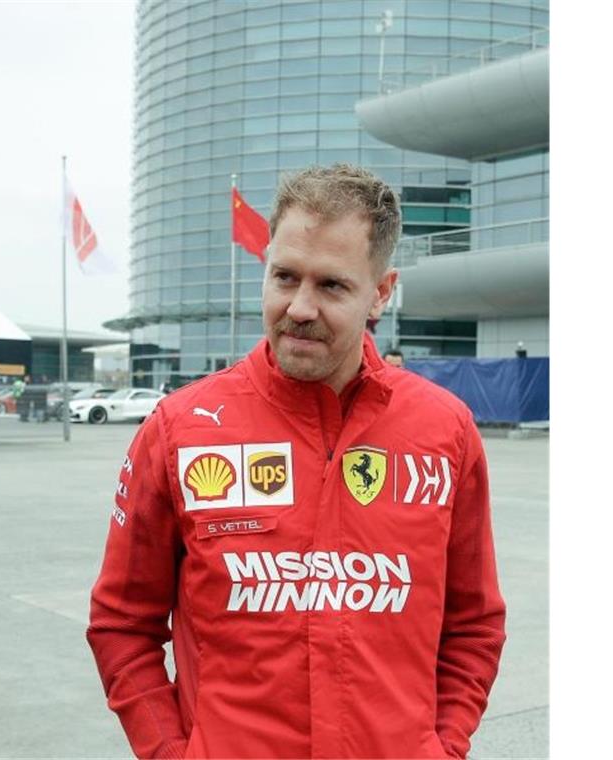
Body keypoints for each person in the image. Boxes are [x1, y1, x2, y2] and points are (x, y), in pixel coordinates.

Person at [87, 164, 505, 759]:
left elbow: (474, 626)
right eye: (285, 277)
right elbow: (121, 626)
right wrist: (173, 752)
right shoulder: (180, 429)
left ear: (381, 292)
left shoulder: (446, 431)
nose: (300, 307)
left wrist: (443, 745)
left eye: (331, 286)